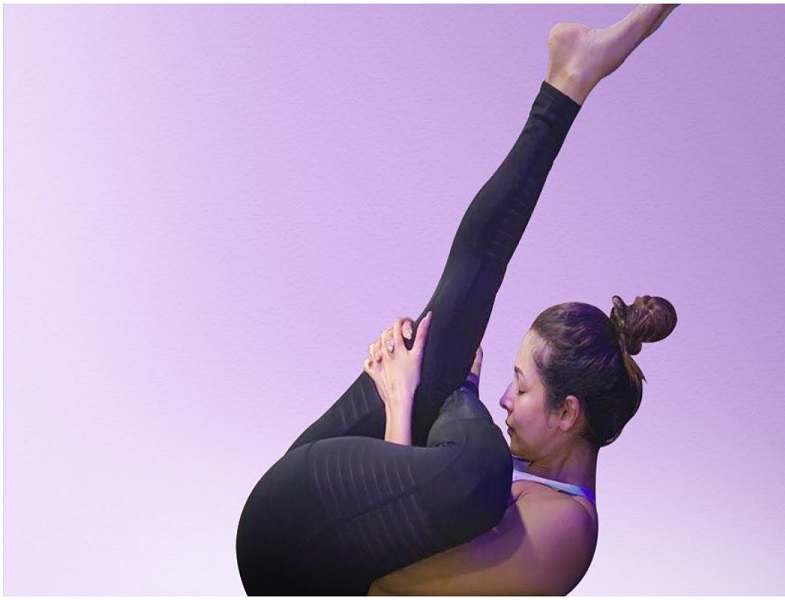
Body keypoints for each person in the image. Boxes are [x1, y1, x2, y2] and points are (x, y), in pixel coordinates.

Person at [235, 4, 678, 596]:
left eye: (522, 388)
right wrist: (426, 383)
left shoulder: (566, 528)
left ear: (568, 413)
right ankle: (566, 85)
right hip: (294, 511)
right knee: (441, 348)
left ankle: (570, 82)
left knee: (479, 463)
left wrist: (401, 404)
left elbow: (396, 584)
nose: (505, 398)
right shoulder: (505, 465)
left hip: (296, 562)